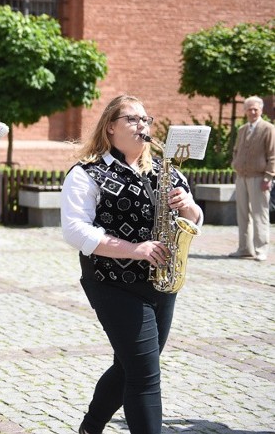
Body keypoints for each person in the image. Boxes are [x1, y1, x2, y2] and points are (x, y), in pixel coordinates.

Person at [60, 94, 203, 434]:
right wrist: (134, 249)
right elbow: (75, 231)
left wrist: (188, 206)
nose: (143, 125)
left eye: (146, 119)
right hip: (111, 282)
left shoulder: (167, 171)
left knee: (129, 366)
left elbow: (195, 220)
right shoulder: (87, 174)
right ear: (110, 127)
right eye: (133, 119)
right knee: (144, 373)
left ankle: (90, 427)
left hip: (161, 282)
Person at [230, 96, 274, 262]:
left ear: (261, 110)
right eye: (250, 109)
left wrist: (268, 177)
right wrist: (235, 163)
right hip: (241, 177)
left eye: (256, 109)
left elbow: (273, 155)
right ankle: (244, 248)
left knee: (260, 214)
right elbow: (235, 150)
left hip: (259, 177)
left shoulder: (268, 129)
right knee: (242, 215)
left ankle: (261, 249)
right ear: (245, 111)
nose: (253, 112)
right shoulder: (242, 130)